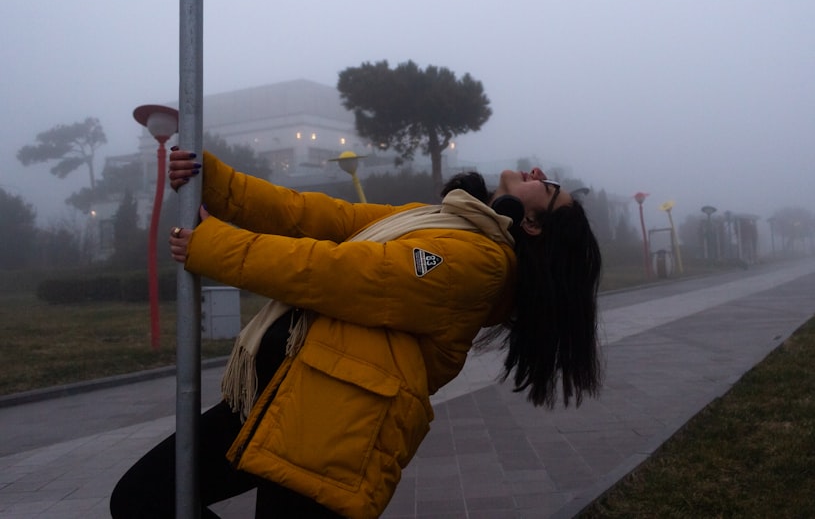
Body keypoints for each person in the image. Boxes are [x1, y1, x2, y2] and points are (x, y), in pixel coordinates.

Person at [110, 147, 603, 519]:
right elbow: (319, 218)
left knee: (145, 499)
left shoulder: (477, 263)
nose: (538, 173)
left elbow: (341, 273)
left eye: (550, 185)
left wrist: (213, 245)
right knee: (142, 497)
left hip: (328, 437)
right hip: (272, 402)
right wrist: (213, 182)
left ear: (534, 224)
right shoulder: (442, 223)